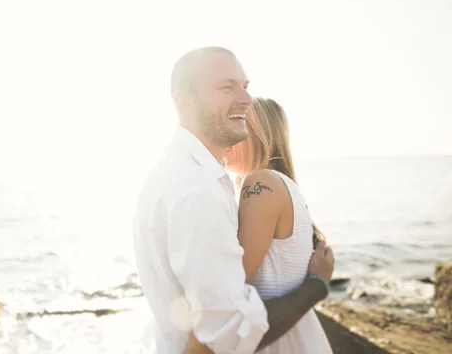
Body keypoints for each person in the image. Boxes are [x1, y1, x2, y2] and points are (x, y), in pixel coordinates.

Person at [132, 47, 334, 353]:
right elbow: (226, 331)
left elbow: (222, 326)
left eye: (245, 87)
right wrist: (317, 285)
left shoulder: (242, 183)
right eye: (227, 87)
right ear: (184, 102)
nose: (246, 99)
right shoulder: (197, 188)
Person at [185, 97, 333, 353]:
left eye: (238, 122)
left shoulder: (260, 183)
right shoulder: (283, 187)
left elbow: (233, 285)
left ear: (261, 133)